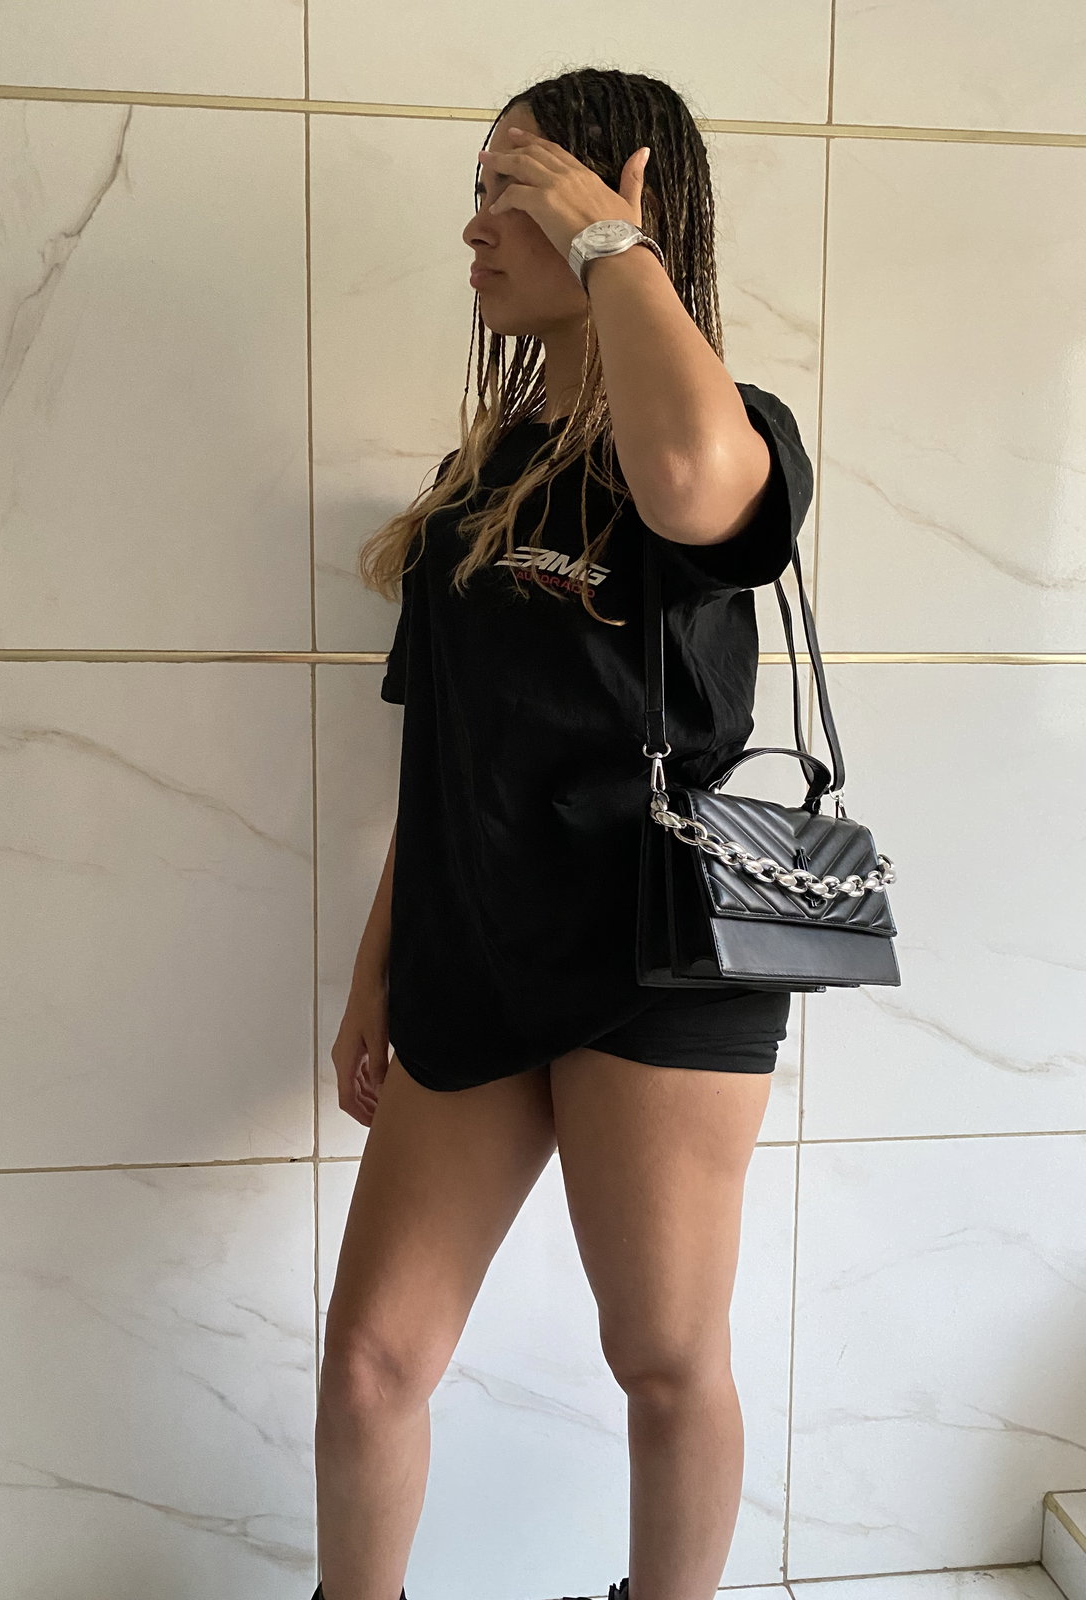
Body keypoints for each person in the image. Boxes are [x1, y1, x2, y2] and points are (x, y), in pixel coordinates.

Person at [315, 66, 815, 1600]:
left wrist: (611, 247)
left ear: (617, 204)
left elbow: (687, 483)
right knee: (372, 1361)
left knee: (661, 1358)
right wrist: (376, 973)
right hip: (476, 948)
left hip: (665, 952)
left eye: (511, 190)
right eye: (476, 192)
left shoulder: (731, 431)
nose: (475, 227)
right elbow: (440, 760)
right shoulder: (476, 483)